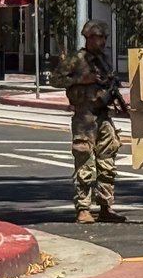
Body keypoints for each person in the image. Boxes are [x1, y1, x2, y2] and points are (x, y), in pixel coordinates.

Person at [50, 20, 125, 225]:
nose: (103, 42)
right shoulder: (76, 59)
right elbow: (55, 80)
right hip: (85, 116)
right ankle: (83, 208)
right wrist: (80, 80)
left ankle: (105, 206)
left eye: (105, 38)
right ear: (89, 37)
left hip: (103, 115)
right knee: (84, 161)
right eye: (100, 37)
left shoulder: (104, 59)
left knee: (107, 163)